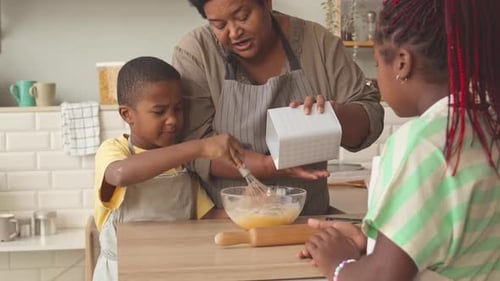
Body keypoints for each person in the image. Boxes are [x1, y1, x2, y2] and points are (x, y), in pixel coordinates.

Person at [299, 0, 500, 280]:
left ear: (402, 64)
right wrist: (376, 243)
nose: (377, 80)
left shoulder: (423, 144)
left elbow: (384, 275)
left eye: (379, 64)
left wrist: (339, 265)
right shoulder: (486, 126)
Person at [172, 0, 384, 215]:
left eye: (243, 17)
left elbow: (371, 117)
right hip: (223, 220)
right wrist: (271, 166)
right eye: (219, 25)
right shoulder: (196, 52)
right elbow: (193, 148)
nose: (234, 32)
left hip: (307, 218)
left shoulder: (318, 43)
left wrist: (334, 116)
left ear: (267, 3)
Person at [92, 56, 244, 281]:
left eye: (178, 109)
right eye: (159, 111)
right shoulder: (116, 150)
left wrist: (249, 210)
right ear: (127, 114)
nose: (172, 119)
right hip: (122, 274)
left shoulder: (180, 164)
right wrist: (200, 147)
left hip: (175, 271)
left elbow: (208, 216)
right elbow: (120, 174)